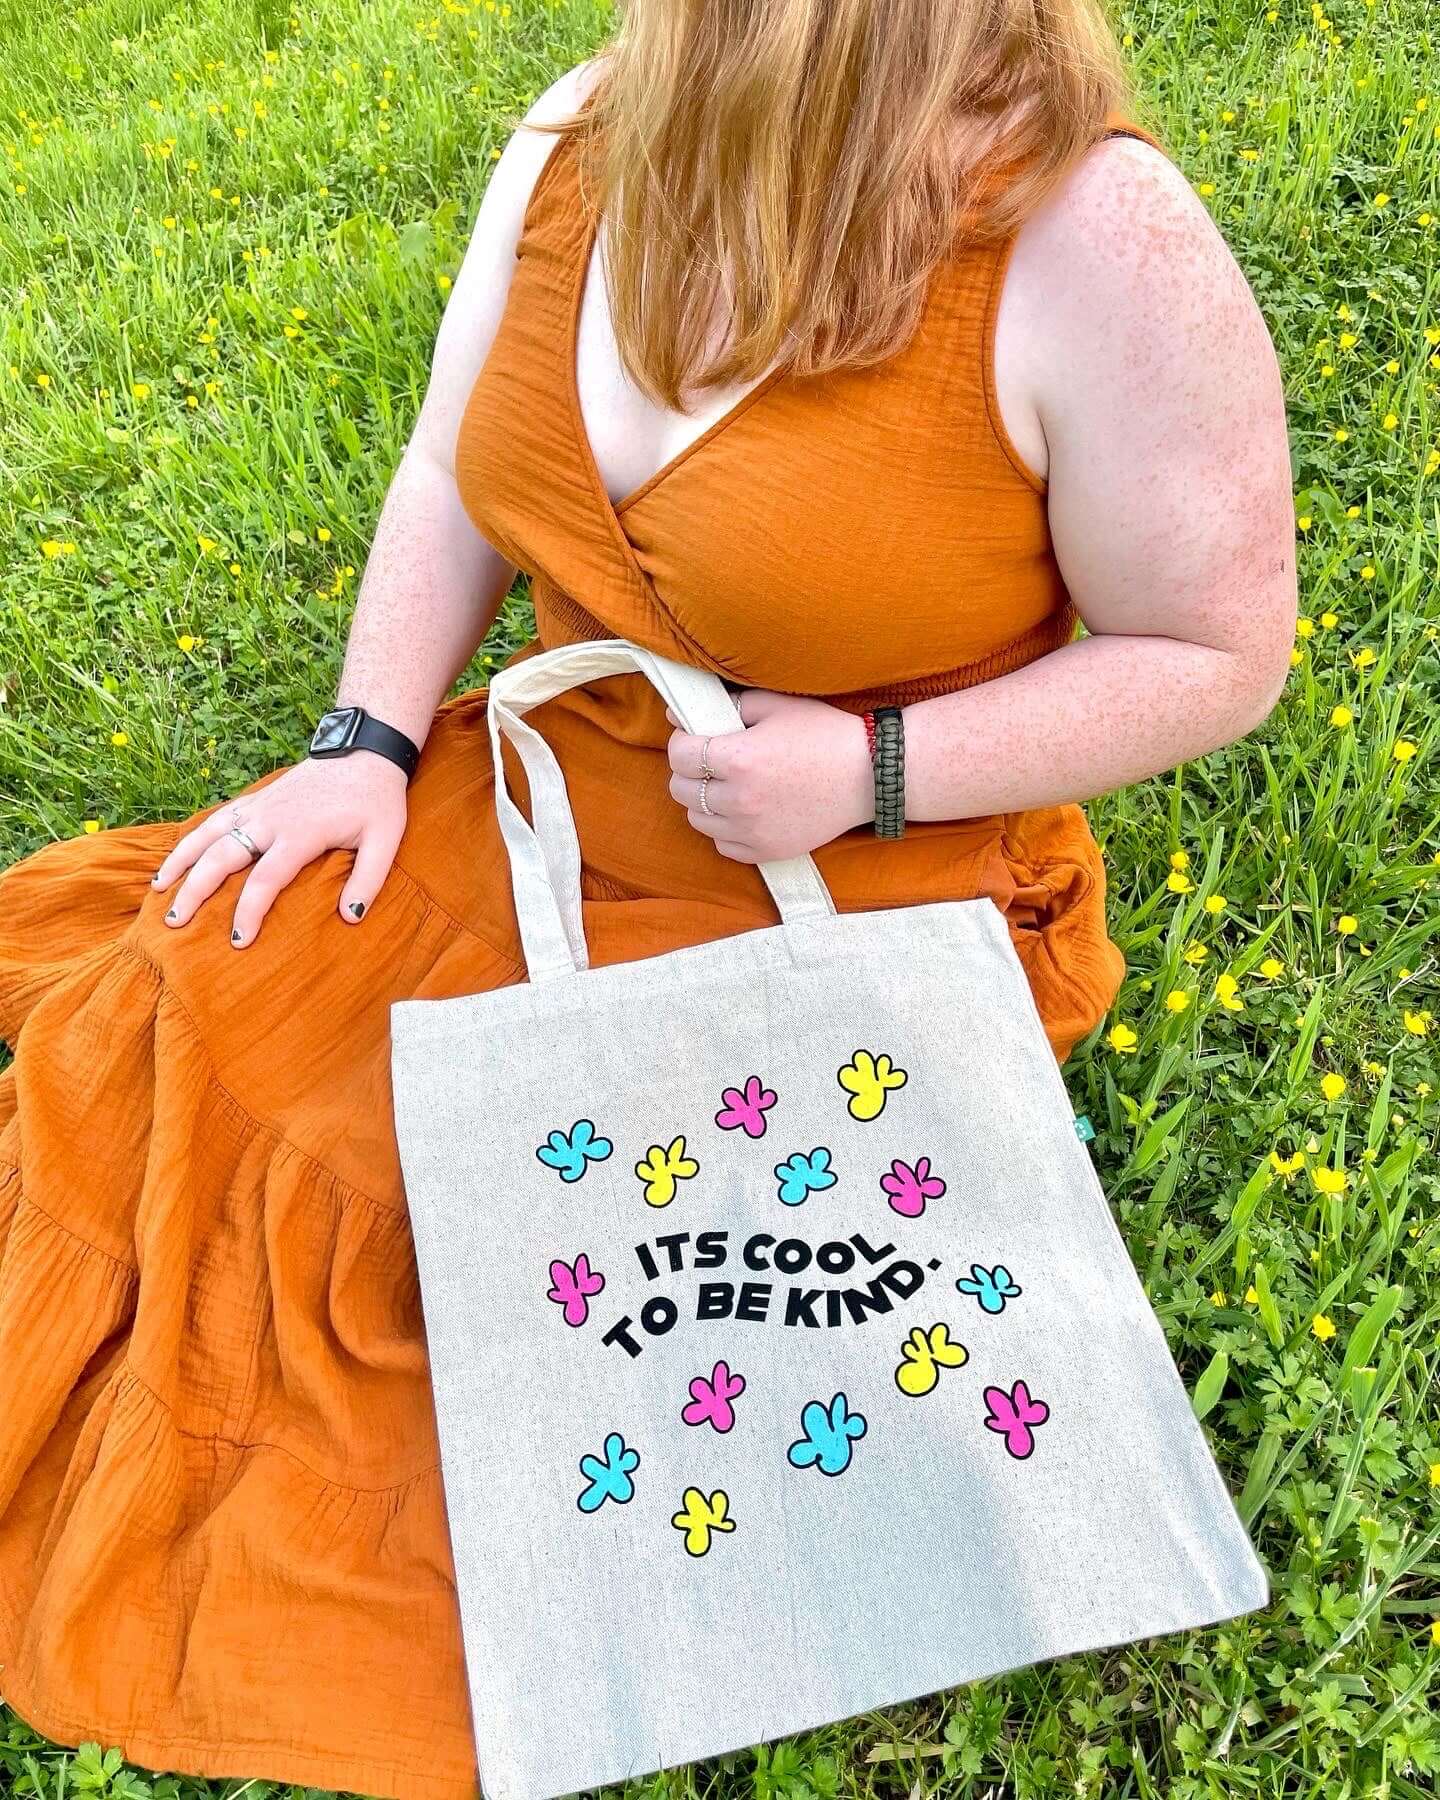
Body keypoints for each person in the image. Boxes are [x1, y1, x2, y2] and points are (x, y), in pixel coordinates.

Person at [0, 2, 1296, 1796]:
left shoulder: (1099, 239)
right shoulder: (586, 133)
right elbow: (454, 471)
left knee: (523, 1306)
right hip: (542, 806)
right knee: (198, 994)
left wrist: (874, 771)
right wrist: (366, 740)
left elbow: (1218, 653)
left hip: (858, 894)